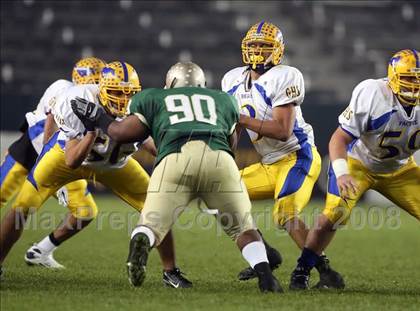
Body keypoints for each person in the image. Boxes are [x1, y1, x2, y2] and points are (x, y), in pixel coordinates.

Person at [70, 61, 283, 293]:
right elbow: (231, 145)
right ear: (201, 83)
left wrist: (98, 117)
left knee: (152, 223)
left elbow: (120, 133)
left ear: (171, 82)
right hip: (219, 159)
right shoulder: (225, 99)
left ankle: (142, 240)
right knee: (242, 228)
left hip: (174, 159)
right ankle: (265, 277)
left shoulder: (154, 98)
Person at [0, 61, 191, 288]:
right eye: (116, 92)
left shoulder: (143, 108)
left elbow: (153, 145)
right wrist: (91, 130)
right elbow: (71, 161)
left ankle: (170, 272)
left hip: (115, 165)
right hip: (65, 156)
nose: (122, 99)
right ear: (101, 90)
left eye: (128, 93)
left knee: (157, 207)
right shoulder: (77, 100)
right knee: (22, 207)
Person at [221, 21, 344, 288]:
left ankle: (325, 271)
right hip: (268, 164)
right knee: (219, 196)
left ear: (277, 51)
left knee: (285, 213)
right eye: (253, 46)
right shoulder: (231, 79)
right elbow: (235, 128)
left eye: (263, 47)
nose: (257, 52)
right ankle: (263, 252)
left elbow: (282, 131)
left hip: (298, 157)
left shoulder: (286, 75)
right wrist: (225, 157)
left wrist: (240, 118)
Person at [289, 49, 420, 290]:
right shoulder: (373, 93)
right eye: (409, 79)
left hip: (401, 169)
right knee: (334, 214)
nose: (414, 87)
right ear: (392, 78)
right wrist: (342, 173)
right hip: (359, 163)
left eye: (418, 80)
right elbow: (338, 139)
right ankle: (302, 271)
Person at [0, 57, 105, 270]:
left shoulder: (99, 105)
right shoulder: (64, 89)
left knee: (85, 212)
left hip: (60, 158)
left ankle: (41, 251)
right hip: (31, 149)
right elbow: (46, 127)